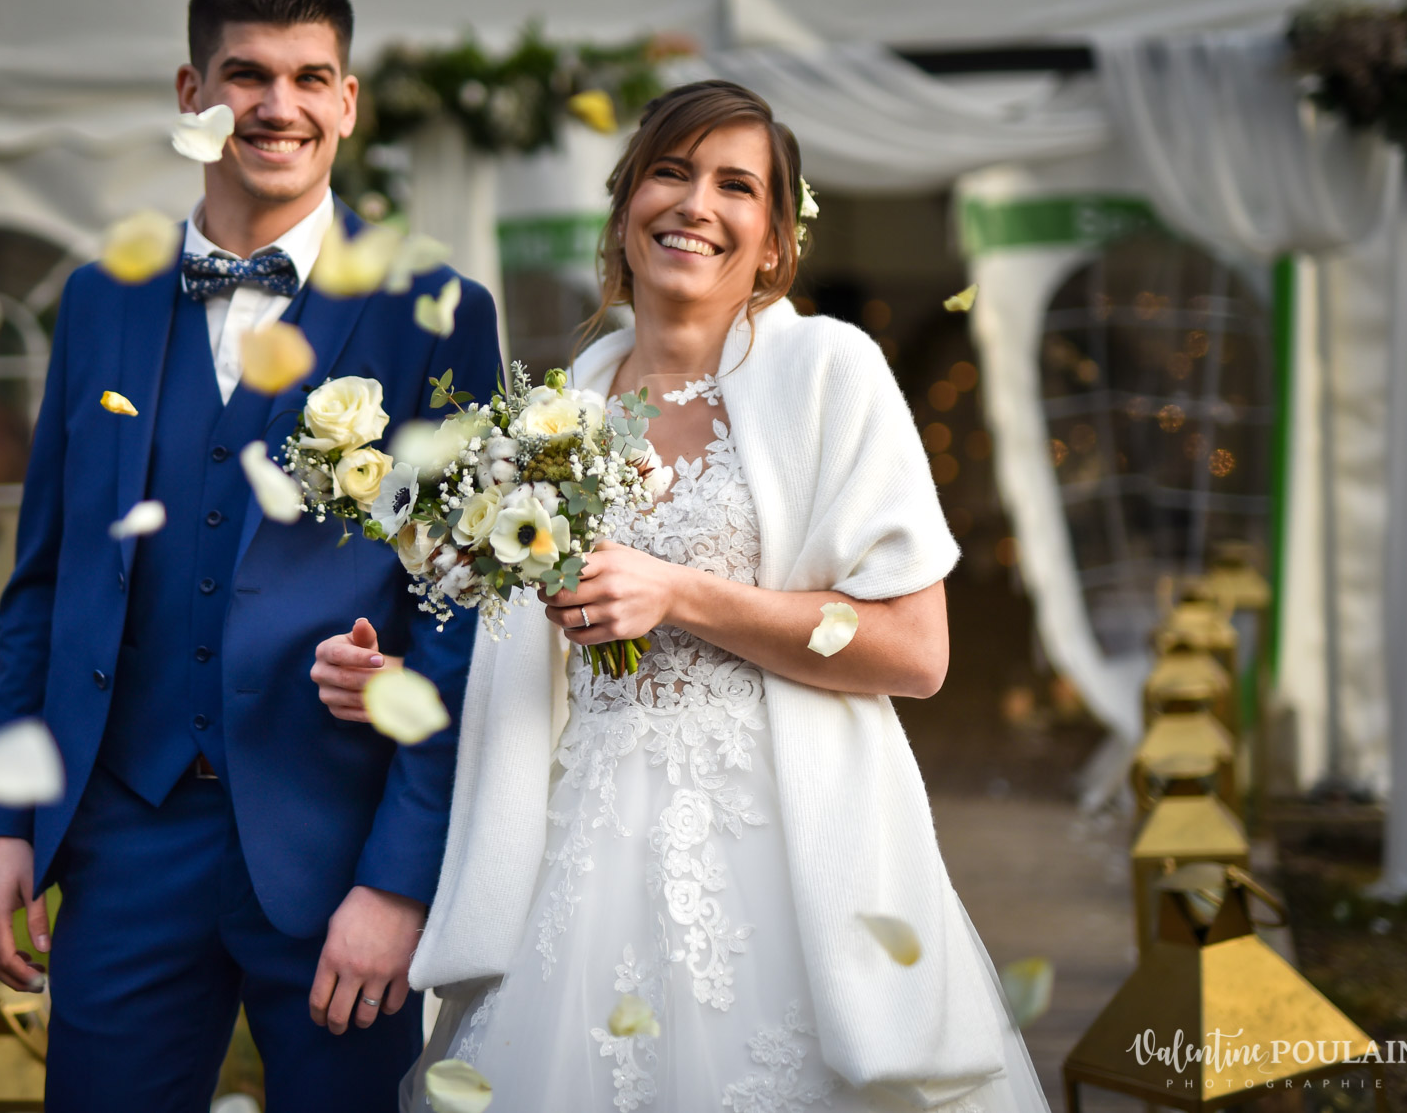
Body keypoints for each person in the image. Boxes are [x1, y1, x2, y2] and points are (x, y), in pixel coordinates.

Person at [318, 80, 1049, 1111]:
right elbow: (540, 653)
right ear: (626, 208)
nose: (696, 203)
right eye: (670, 172)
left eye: (735, 185)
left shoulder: (830, 373)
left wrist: (683, 594)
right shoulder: (561, 407)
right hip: (581, 854)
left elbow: (916, 650)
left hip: (781, 853)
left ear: (775, 240)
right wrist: (405, 688)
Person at [0, 0, 500, 1113]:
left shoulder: (439, 312)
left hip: (338, 845)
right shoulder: (99, 298)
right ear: (191, 94)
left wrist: (400, 879)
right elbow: (46, 578)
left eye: (309, 78)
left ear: (347, 102)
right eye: (246, 74)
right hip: (126, 829)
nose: (277, 105)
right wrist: (6, 820)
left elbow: (461, 619)